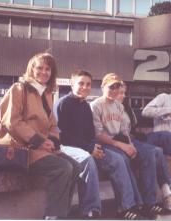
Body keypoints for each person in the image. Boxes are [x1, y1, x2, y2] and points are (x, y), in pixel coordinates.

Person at [54, 70, 147, 220]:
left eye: (88, 84)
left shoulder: (84, 106)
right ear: (72, 84)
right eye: (81, 83)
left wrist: (93, 146)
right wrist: (89, 148)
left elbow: (91, 133)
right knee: (88, 160)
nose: (85, 87)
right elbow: (62, 136)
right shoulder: (63, 103)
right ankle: (90, 210)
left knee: (118, 159)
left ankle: (126, 207)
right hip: (68, 147)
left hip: (88, 146)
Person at [0, 53, 81, 220]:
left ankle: (62, 213)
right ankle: (53, 216)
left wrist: (53, 141)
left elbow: (52, 125)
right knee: (62, 168)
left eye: (48, 69)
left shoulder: (47, 94)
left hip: (40, 147)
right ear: (32, 69)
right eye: (40, 68)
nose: (44, 72)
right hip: (21, 148)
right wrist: (39, 141)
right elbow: (11, 121)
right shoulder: (19, 88)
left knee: (75, 166)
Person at [90, 73, 171, 219]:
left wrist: (131, 145)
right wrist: (122, 145)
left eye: (118, 87)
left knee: (150, 153)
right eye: (111, 87)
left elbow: (124, 132)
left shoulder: (119, 106)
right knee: (122, 159)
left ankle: (149, 203)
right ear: (102, 87)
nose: (114, 90)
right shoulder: (95, 105)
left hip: (119, 142)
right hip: (105, 143)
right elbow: (97, 135)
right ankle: (128, 206)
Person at [117, 83, 171, 211]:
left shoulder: (125, 107)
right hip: (158, 137)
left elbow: (132, 129)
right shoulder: (164, 97)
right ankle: (161, 197)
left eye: (124, 93)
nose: (123, 96)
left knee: (158, 151)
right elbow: (146, 111)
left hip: (143, 139)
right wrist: (167, 110)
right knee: (165, 138)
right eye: (121, 93)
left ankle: (166, 193)